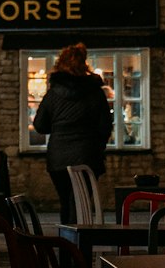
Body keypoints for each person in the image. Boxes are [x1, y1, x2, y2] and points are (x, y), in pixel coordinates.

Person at [31, 42, 113, 223]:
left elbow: (40, 125)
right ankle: (79, 245)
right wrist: (97, 147)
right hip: (87, 156)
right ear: (84, 64)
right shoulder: (95, 93)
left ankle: (67, 245)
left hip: (58, 157)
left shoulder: (53, 95)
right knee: (80, 203)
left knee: (66, 202)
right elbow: (105, 126)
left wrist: (59, 126)